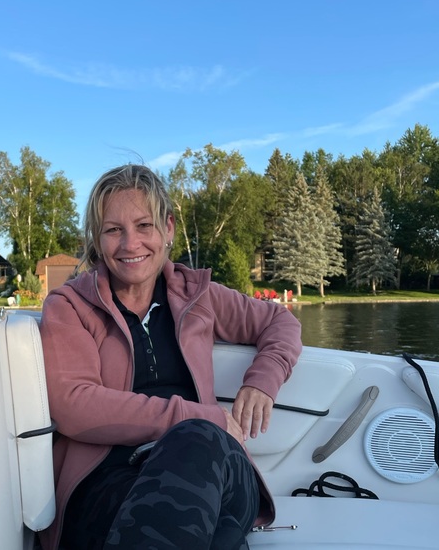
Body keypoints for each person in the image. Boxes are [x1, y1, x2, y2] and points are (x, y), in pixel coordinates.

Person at [39, 164, 302, 550]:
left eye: (144, 225)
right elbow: (74, 405)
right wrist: (198, 416)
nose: (130, 244)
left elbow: (280, 322)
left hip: (212, 465)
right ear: (97, 238)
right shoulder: (71, 306)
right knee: (208, 525)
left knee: (196, 443)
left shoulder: (199, 295)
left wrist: (263, 380)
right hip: (108, 482)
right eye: (113, 230)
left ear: (168, 229)